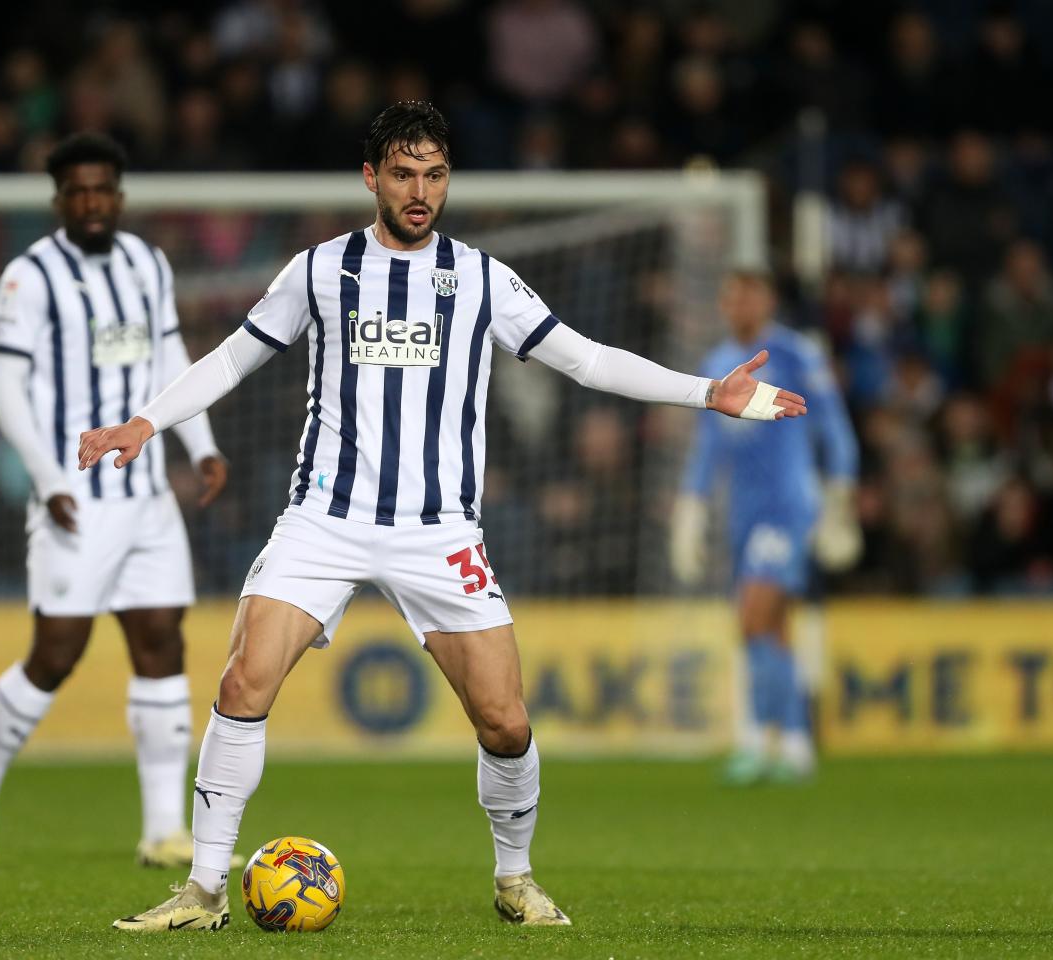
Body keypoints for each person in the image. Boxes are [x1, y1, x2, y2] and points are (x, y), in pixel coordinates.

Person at [79, 102, 806, 932]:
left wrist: (706, 391)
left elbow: (586, 360)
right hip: (323, 520)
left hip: (439, 531)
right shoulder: (320, 270)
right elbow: (233, 358)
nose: (420, 191)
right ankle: (205, 890)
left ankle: (515, 878)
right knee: (243, 680)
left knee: (504, 719)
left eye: (433, 175)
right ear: (371, 178)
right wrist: (146, 422)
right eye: (403, 174)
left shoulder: (483, 279)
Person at [0, 132, 231, 871]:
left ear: (119, 196)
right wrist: (48, 479)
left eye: (103, 189)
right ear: (60, 200)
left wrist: (200, 445)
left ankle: (164, 830)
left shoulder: (146, 262)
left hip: (147, 493)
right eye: (79, 192)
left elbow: (170, 359)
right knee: (57, 653)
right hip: (77, 496)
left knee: (162, 639)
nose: (93, 202)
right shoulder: (30, 276)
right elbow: (4, 384)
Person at [670, 270, 859, 784]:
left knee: (753, 617)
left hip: (788, 508)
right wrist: (693, 504)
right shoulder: (715, 364)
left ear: (769, 301)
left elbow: (835, 428)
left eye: (749, 296)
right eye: (731, 297)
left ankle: (756, 738)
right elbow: (709, 445)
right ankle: (795, 743)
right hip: (744, 513)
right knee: (770, 626)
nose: (740, 306)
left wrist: (840, 496)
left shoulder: (797, 354)